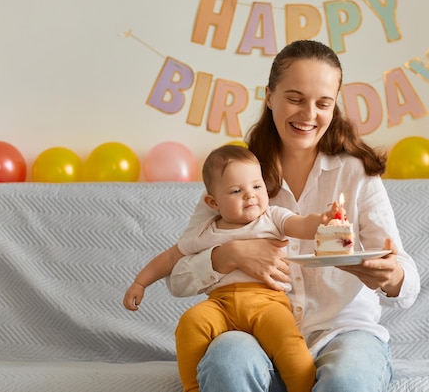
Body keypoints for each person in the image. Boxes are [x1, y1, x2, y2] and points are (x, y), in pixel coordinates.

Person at [164, 39, 421, 392]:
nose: (308, 114)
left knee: (347, 380)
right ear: (269, 96)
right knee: (227, 360)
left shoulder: (356, 174)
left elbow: (407, 280)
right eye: (295, 98)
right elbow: (177, 279)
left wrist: (391, 274)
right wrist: (228, 255)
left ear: (334, 107)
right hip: (252, 332)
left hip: (342, 331)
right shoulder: (236, 176)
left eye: (323, 103)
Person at [124, 144, 343, 392]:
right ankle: (194, 387)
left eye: (257, 186)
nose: (250, 195)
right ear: (213, 202)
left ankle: (303, 388)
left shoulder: (273, 217)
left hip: (267, 303)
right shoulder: (206, 231)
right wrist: (140, 283)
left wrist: (323, 220)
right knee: (191, 321)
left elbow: (301, 225)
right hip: (221, 305)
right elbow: (170, 258)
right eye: (237, 190)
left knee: (289, 343)